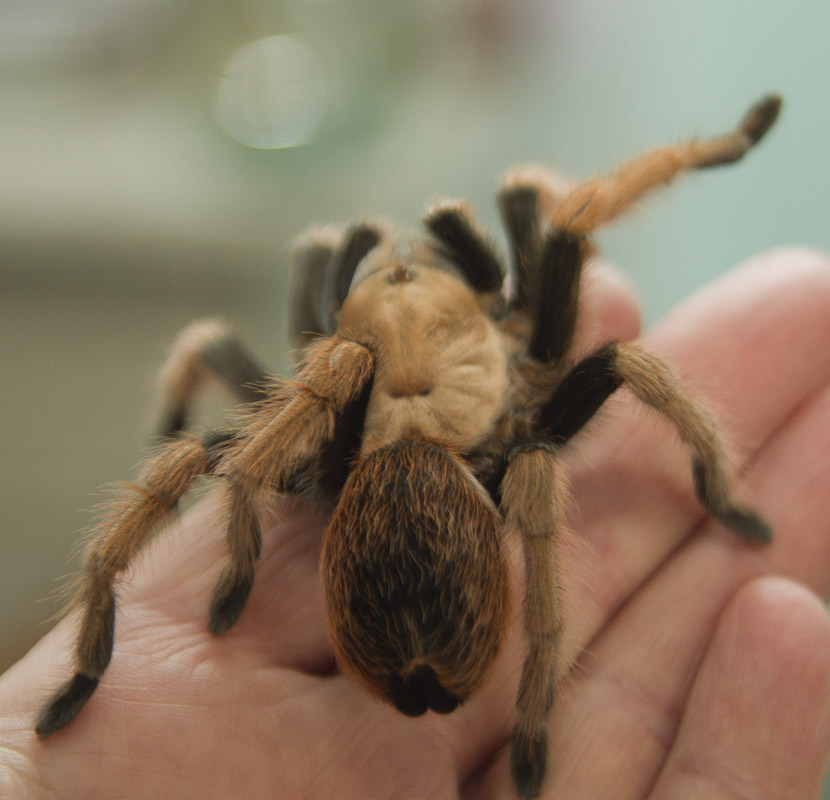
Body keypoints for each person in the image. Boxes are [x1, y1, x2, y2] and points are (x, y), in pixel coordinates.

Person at [2, 248, 830, 799]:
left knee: (187, 458)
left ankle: (86, 667)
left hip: (372, 527)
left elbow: (250, 437)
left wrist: (242, 554)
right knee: (571, 422)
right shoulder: (518, 446)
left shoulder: (336, 387)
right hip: (456, 527)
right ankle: (534, 717)